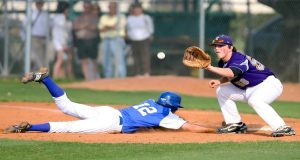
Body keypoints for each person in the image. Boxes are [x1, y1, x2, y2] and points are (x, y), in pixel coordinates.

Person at [3, 67, 213, 134]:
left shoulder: (151, 102)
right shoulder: (166, 116)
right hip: (111, 123)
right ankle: (29, 127)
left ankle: (45, 79)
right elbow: (191, 128)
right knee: (67, 127)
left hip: (108, 111)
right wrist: (215, 130)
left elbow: (148, 123)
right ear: (173, 107)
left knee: (66, 106)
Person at [205, 34, 296, 137]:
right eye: (215, 46)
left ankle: (283, 128)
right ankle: (235, 124)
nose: (217, 48)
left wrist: (209, 68)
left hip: (268, 85)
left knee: (255, 100)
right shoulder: (223, 62)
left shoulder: (238, 58)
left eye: (220, 46)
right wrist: (220, 81)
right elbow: (231, 75)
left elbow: (231, 72)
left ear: (230, 47)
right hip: (249, 89)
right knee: (222, 91)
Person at [99, 2, 127, 78]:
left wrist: (107, 27)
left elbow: (117, 27)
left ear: (116, 8)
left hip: (117, 39)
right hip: (106, 40)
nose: (111, 9)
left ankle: (122, 77)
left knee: (119, 59)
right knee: (106, 60)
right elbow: (101, 29)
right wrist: (111, 27)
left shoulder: (121, 16)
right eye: (110, 7)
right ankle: (108, 78)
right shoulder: (104, 17)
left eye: (113, 7)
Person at [73, 1, 100, 80]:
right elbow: (75, 27)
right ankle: (87, 78)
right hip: (82, 41)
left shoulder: (95, 17)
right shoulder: (79, 17)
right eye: (85, 7)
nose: (86, 9)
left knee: (94, 60)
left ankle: (95, 78)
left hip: (92, 40)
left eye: (88, 7)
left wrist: (82, 26)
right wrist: (85, 26)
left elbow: (95, 27)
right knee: (84, 60)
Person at [126, 3, 154, 77]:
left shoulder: (146, 17)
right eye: (135, 9)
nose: (137, 10)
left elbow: (150, 28)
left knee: (144, 56)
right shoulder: (129, 18)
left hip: (144, 38)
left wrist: (150, 35)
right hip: (133, 39)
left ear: (141, 9)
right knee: (135, 56)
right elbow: (128, 29)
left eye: (138, 9)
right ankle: (137, 73)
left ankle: (146, 72)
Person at [21, 0, 49, 71]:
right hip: (35, 38)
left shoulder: (45, 14)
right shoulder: (32, 13)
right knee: (38, 58)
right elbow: (24, 26)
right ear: (36, 4)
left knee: (44, 57)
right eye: (39, 3)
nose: (40, 5)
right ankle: (42, 74)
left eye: (41, 3)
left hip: (45, 38)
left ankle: (40, 73)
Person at [51, 2, 74, 79]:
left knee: (64, 60)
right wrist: (63, 44)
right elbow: (62, 32)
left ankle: (61, 77)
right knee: (60, 60)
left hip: (61, 42)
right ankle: (54, 77)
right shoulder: (60, 18)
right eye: (67, 9)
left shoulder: (60, 17)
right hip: (59, 42)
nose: (68, 10)